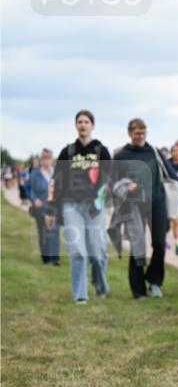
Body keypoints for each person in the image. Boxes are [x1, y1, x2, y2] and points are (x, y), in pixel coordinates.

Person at [112, 118, 178, 299]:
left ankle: (155, 281)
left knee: (159, 243)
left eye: (143, 133)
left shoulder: (154, 152)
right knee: (137, 245)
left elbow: (171, 175)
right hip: (133, 204)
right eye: (137, 133)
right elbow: (113, 181)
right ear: (130, 134)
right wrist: (126, 187)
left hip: (157, 201)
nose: (141, 136)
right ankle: (138, 290)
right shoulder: (122, 155)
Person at [45, 110, 113, 303]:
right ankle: (80, 296)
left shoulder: (101, 151)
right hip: (71, 206)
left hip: (94, 207)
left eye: (86, 122)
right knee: (78, 251)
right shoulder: (68, 152)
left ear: (92, 125)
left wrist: (99, 202)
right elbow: (56, 182)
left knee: (98, 253)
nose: (83, 125)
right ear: (76, 125)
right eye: (79, 122)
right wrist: (51, 209)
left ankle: (100, 286)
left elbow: (107, 180)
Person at [30, 148, 60, 264]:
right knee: (43, 233)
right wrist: (35, 199)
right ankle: (46, 257)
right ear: (41, 159)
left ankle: (55, 258)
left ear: (52, 159)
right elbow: (30, 189)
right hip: (41, 208)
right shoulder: (35, 173)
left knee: (54, 231)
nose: (46, 160)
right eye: (44, 158)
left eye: (48, 158)